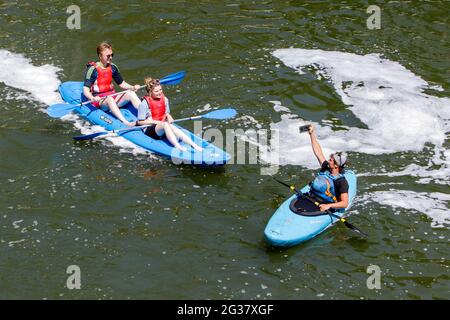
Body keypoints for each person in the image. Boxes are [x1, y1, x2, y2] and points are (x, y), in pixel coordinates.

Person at [137, 78, 204, 152]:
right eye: (156, 91)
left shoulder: (164, 99)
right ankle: (178, 146)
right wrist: (155, 122)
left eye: (160, 90)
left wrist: (169, 116)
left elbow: (166, 113)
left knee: (171, 126)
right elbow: (140, 122)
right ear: (150, 92)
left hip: (161, 126)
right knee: (165, 124)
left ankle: (194, 145)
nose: (159, 92)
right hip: (149, 129)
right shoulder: (144, 104)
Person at [83, 42, 141, 126]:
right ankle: (126, 122)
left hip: (112, 96)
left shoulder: (113, 67)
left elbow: (121, 83)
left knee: (130, 93)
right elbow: (85, 90)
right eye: (108, 56)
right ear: (100, 56)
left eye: (112, 55)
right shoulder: (92, 70)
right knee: (110, 99)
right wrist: (92, 97)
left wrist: (132, 87)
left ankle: (147, 115)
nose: (110, 58)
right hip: (100, 101)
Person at [306, 124, 349, 212]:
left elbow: (344, 203)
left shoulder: (341, 182)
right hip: (313, 198)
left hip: (327, 205)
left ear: (336, 165)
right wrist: (312, 134)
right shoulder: (326, 167)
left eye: (331, 160)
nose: (328, 160)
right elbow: (318, 151)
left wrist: (328, 206)